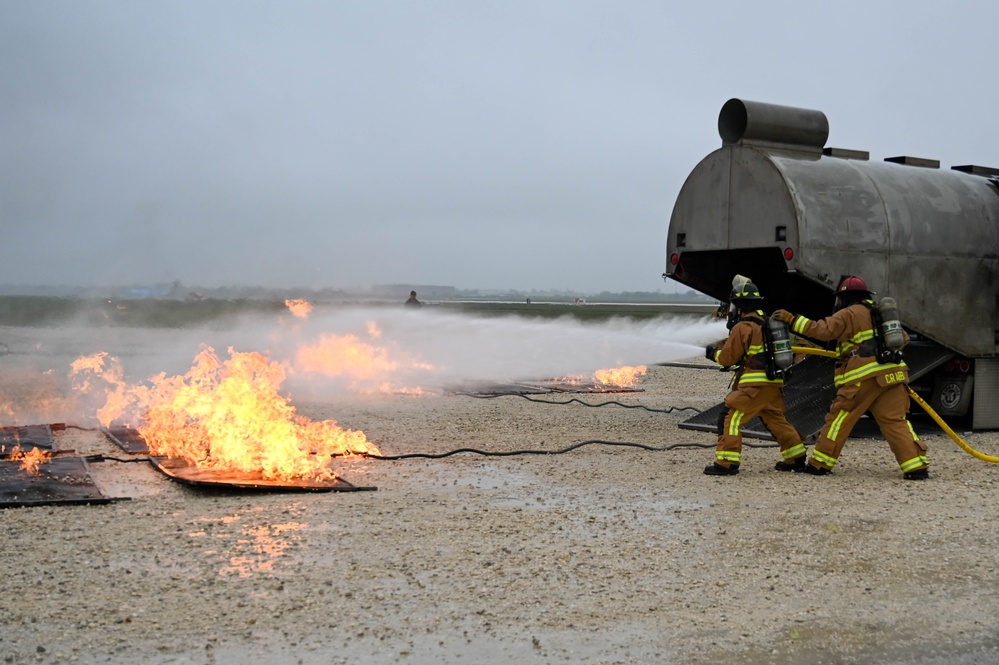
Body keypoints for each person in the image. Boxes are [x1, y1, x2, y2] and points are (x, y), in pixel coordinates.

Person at [771, 275, 929, 480]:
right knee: (895, 421)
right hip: (893, 375)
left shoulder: (848, 314)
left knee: (839, 418)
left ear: (844, 298)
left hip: (862, 378)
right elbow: (904, 339)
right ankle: (916, 466)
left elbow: (822, 330)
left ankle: (819, 464)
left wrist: (792, 320)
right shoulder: (880, 313)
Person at [702, 276, 806, 476]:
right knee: (775, 420)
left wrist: (712, 354)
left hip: (753, 387)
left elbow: (727, 358)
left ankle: (726, 462)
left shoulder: (743, 327)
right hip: (773, 384)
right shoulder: (767, 323)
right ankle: (796, 456)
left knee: (730, 418)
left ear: (741, 305)